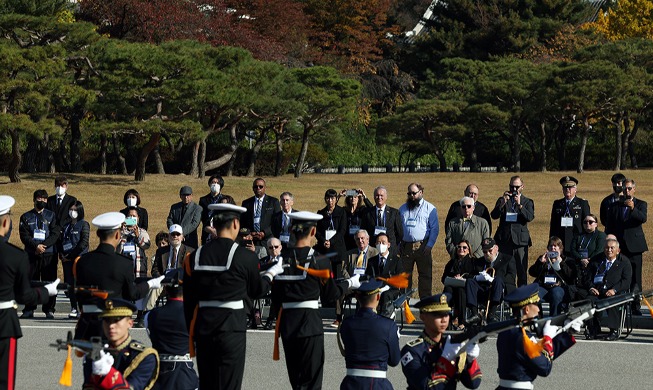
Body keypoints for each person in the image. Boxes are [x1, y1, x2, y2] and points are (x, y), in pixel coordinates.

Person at [182, 203, 285, 390]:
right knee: (230, 384)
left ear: (215, 225)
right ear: (236, 224)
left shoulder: (194, 256)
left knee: (208, 384)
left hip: (204, 328)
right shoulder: (245, 257)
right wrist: (271, 274)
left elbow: (188, 300)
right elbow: (256, 291)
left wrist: (193, 332)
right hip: (232, 329)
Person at [272, 211, 360, 390]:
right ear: (313, 232)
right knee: (312, 381)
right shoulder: (319, 260)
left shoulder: (280, 260)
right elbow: (330, 295)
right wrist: (349, 283)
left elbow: (276, 296)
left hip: (288, 324)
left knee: (296, 381)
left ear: (290, 229)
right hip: (309, 324)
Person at [74, 212, 163, 341]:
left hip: (88, 325)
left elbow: (79, 295)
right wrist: (150, 284)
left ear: (98, 234)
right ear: (117, 235)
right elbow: (132, 294)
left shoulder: (82, 261)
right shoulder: (123, 263)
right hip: (112, 324)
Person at [0, 195, 59, 389]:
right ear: (6, 222)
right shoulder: (15, 257)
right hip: (4, 321)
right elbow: (24, 295)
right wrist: (46, 291)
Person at [496, 284, 576, 390]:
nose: (539, 309)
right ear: (527, 309)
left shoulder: (506, 331)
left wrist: (566, 333)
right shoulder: (523, 338)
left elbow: (538, 356)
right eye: (536, 304)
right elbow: (544, 367)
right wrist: (547, 338)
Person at [400, 293, 481, 390]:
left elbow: (473, 383)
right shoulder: (412, 351)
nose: (443, 320)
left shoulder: (451, 344)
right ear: (423, 316)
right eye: (437, 315)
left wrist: (469, 360)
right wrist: (446, 360)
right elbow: (426, 386)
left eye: (446, 314)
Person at [82, 298, 159, 390]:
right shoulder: (96, 351)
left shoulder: (144, 355)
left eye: (116, 320)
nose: (111, 326)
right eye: (107, 320)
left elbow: (133, 387)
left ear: (130, 323)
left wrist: (108, 373)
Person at [339, 280, 400, 390]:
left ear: (357, 297)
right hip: (378, 385)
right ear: (378, 297)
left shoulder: (347, 324)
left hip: (351, 384)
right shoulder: (388, 325)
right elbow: (394, 361)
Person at [145, 269, 199, 390]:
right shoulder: (194, 315)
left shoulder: (151, 315)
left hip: (159, 375)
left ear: (166, 289)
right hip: (185, 374)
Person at [604, 178, 648, 315]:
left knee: (636, 278)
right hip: (619, 248)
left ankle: (636, 306)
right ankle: (619, 305)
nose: (627, 191)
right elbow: (609, 226)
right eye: (625, 188)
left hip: (635, 247)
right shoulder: (615, 206)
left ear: (634, 189)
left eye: (629, 188)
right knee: (619, 276)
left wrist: (633, 208)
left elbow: (643, 218)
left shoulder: (641, 204)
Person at [19, 189, 61, 319]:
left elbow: (55, 234)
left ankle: (49, 309)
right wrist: (35, 246)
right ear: (34, 200)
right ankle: (29, 309)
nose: (41, 201)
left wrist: (44, 245)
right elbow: (24, 235)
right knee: (31, 282)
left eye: (44, 199)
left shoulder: (51, 216)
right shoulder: (26, 217)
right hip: (32, 254)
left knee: (49, 282)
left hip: (49, 255)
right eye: (39, 199)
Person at [584, 236, 632, 341]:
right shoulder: (596, 260)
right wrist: (591, 287)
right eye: (606, 248)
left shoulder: (625, 262)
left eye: (612, 248)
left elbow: (626, 281)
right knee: (588, 301)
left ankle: (613, 331)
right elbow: (587, 278)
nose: (609, 250)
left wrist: (614, 290)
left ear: (618, 250)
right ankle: (593, 329)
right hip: (597, 291)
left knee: (612, 302)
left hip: (615, 292)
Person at [491, 175, 535, 287]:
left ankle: (522, 298)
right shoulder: (503, 200)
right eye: (512, 187)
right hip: (505, 241)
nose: (514, 190)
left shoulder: (527, 202)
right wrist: (502, 203)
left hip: (520, 242)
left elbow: (529, 217)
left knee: (521, 271)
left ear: (522, 187)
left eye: (517, 187)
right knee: (504, 271)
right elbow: (494, 215)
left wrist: (520, 206)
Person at [399, 182, 438, 299]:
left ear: (421, 192)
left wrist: (429, 245)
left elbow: (434, 229)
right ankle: (404, 303)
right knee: (405, 276)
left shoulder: (430, 208)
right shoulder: (403, 208)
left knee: (425, 276)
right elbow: (398, 228)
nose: (411, 196)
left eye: (414, 193)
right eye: (409, 193)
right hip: (406, 247)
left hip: (423, 246)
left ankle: (425, 302)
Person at [465, 238, 517, 325]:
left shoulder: (508, 259)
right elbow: (469, 275)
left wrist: (493, 279)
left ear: (496, 248)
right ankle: (475, 314)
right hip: (482, 290)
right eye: (485, 252)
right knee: (470, 282)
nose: (488, 254)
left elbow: (511, 277)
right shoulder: (479, 262)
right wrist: (477, 277)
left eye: (490, 250)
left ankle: (491, 314)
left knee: (498, 281)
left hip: (498, 291)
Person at [336, 229, 379, 327]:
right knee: (340, 290)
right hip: (352, 283)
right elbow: (343, 269)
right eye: (357, 239)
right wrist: (350, 281)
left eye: (362, 238)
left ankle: (363, 317)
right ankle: (339, 318)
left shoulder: (375, 252)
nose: (360, 241)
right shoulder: (350, 254)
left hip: (367, 283)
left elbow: (376, 270)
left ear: (368, 239)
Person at [146, 225, 190, 311]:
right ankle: (147, 313)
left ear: (182, 237)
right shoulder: (161, 251)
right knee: (154, 288)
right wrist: (161, 279)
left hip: (181, 282)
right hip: (164, 281)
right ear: (169, 237)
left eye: (178, 234)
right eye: (173, 234)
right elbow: (155, 270)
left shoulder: (189, 251)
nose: (175, 236)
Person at [528, 236, 574, 316]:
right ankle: (538, 317)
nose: (552, 248)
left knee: (556, 294)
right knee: (533, 294)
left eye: (555, 246)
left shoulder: (567, 260)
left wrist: (561, 262)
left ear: (560, 248)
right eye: (550, 246)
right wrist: (540, 262)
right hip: (544, 286)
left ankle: (554, 319)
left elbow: (570, 276)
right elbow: (532, 272)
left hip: (559, 287)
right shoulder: (544, 259)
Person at [60, 200, 90, 319]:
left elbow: (84, 243)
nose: (72, 212)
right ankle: (73, 308)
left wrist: (71, 255)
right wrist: (62, 254)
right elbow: (62, 241)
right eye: (71, 210)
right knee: (70, 285)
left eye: (75, 210)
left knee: (80, 285)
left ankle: (82, 309)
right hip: (66, 260)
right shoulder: (66, 225)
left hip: (78, 259)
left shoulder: (84, 224)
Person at [567, 214, 606, 301]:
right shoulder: (579, 236)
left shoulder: (600, 235)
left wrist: (589, 261)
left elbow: (599, 251)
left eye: (591, 222)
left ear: (596, 224)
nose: (588, 224)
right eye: (585, 222)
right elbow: (572, 250)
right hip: (579, 265)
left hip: (594, 266)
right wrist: (581, 259)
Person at [548, 176, 590, 256]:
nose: (567, 189)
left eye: (570, 187)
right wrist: (551, 243)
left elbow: (587, 225)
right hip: (560, 244)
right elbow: (553, 225)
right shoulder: (557, 204)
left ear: (575, 189)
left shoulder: (582, 203)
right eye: (565, 187)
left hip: (576, 243)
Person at [366, 233, 403, 318]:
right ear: (375, 245)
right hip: (375, 288)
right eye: (378, 243)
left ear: (388, 244)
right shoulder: (372, 261)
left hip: (391, 290)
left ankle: (384, 319)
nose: (380, 245)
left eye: (383, 242)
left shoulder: (396, 260)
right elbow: (368, 276)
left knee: (385, 295)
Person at [441, 240, 476, 329]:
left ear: (468, 250)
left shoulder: (473, 262)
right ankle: (447, 321)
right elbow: (443, 278)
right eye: (459, 247)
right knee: (447, 290)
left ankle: (462, 321)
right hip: (452, 287)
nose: (461, 249)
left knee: (460, 291)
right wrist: (453, 277)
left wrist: (463, 277)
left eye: (464, 247)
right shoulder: (452, 262)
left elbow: (474, 276)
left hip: (465, 289)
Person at [241, 178, 281, 252]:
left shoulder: (273, 202)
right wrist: (249, 233)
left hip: (268, 241)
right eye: (256, 187)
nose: (258, 188)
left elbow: (277, 222)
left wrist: (264, 233)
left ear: (265, 188)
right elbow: (242, 222)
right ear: (253, 189)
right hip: (251, 241)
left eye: (261, 186)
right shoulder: (246, 203)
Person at [262, 237, 283, 330]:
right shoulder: (263, 261)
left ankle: (270, 320)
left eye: (276, 246)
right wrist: (266, 267)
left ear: (280, 247)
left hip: (279, 287)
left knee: (277, 291)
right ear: (267, 249)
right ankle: (252, 318)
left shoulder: (285, 260)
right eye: (270, 247)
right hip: (265, 285)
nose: (273, 249)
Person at [199, 174, 226, 244]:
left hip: (222, 233)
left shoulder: (227, 199)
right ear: (209, 184)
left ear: (221, 185)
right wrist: (207, 228)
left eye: (217, 183)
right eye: (213, 182)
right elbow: (202, 217)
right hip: (207, 233)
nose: (215, 184)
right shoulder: (203, 200)